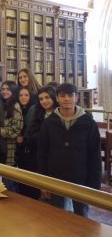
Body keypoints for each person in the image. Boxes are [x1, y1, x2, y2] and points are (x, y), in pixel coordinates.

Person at [37, 83, 101, 217]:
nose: (67, 99)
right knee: (58, 217)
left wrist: (94, 185)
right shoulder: (49, 123)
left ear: (76, 97)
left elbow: (94, 154)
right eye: (62, 96)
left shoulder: (88, 122)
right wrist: (43, 181)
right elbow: (42, 153)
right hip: (56, 177)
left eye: (70, 95)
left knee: (82, 217)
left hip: (81, 177)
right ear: (57, 98)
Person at [21, 85, 58, 199]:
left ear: (54, 97)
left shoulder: (59, 115)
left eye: (47, 97)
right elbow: (29, 135)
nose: (44, 101)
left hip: (54, 162)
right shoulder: (38, 113)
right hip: (37, 159)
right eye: (41, 99)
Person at [0, 81, 23, 191]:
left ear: (13, 91)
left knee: (9, 181)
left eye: (8, 89)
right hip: (1, 146)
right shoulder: (3, 103)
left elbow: (16, 129)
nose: (4, 91)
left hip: (10, 148)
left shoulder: (15, 105)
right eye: (3, 89)